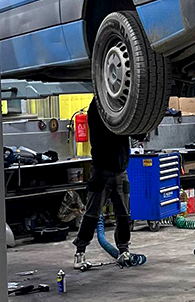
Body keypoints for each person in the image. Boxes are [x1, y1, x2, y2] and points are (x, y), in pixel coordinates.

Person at [73, 99, 133, 268]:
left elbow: (138, 133)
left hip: (120, 171)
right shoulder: (96, 109)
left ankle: (124, 249)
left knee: (124, 215)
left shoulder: (122, 110)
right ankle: (80, 251)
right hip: (101, 172)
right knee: (92, 214)